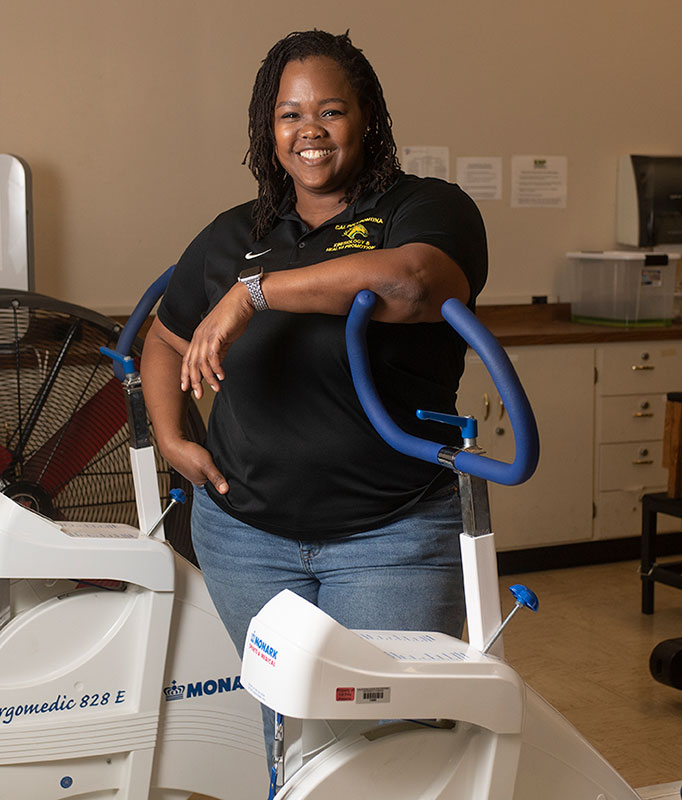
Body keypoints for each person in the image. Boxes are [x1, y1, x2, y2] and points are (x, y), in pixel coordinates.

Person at [139, 29, 487, 752]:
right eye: (290, 115)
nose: (311, 131)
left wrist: (253, 297)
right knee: (292, 737)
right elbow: (166, 337)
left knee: (382, 750)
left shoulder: (424, 208)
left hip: (390, 536)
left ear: (366, 120)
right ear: (269, 132)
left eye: (330, 111)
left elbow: (416, 284)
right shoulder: (234, 233)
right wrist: (172, 438)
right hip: (244, 537)